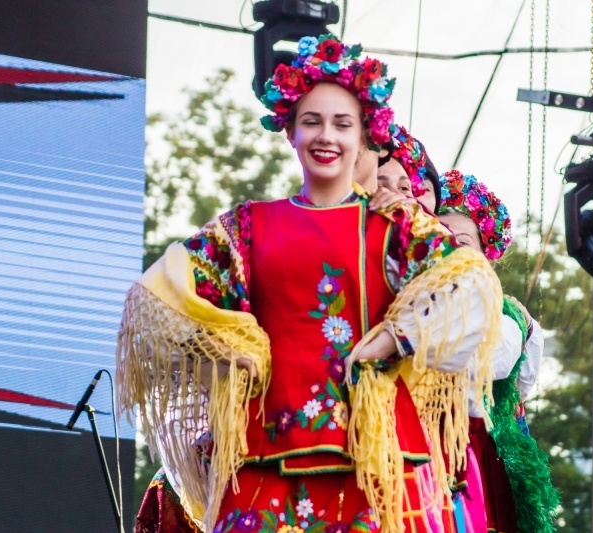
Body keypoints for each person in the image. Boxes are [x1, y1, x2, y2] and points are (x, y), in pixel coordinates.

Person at [117, 34, 505, 533]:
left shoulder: (397, 228)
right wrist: (226, 348)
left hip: (378, 465)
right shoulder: (246, 227)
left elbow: (470, 286)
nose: (327, 136)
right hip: (267, 458)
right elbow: (158, 299)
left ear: (365, 136)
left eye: (343, 124)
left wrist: (392, 338)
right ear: (290, 132)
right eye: (312, 122)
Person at [436, 170, 559, 533]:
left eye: (462, 243)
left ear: (485, 256)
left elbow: (503, 374)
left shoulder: (507, 313)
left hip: (473, 449)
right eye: (438, 238)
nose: (449, 251)